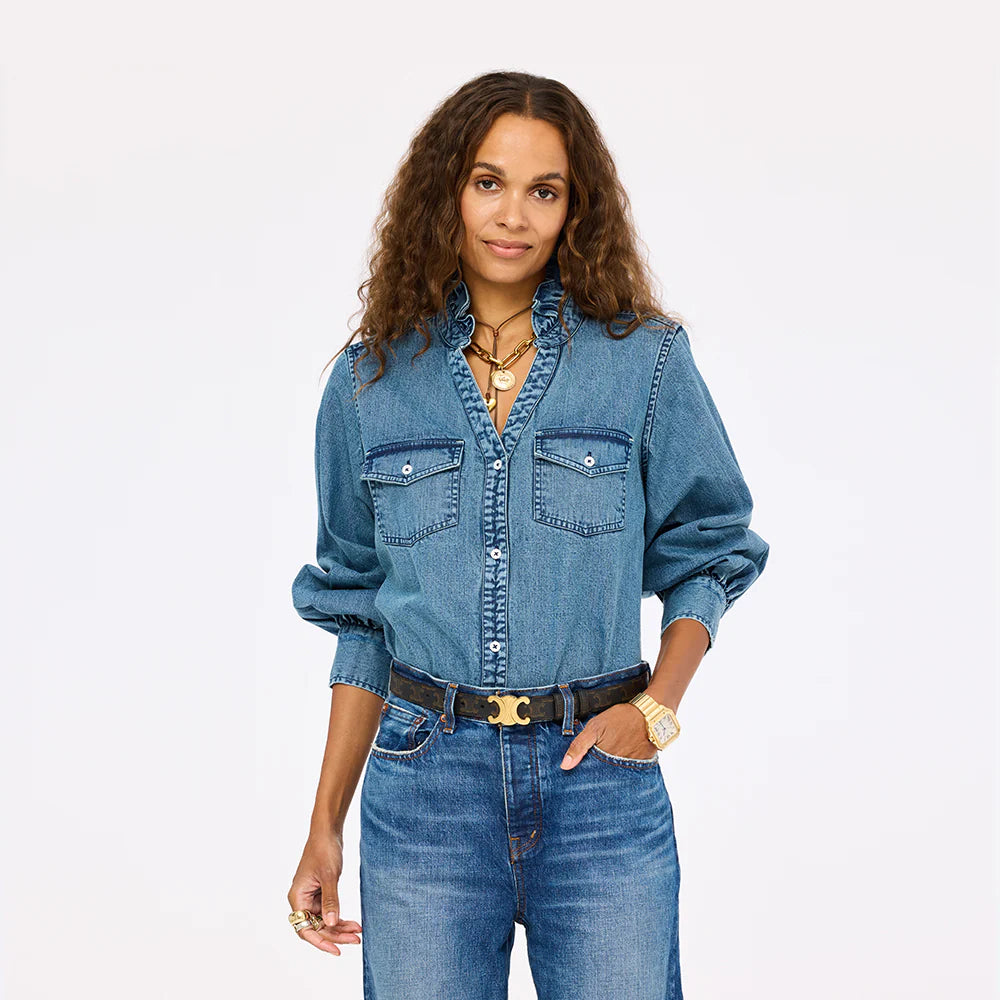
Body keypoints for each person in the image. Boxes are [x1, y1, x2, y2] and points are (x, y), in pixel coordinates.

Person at [286, 71, 769, 1000]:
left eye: (544, 190)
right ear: (447, 195)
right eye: (487, 182)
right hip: (424, 785)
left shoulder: (643, 361)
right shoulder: (368, 382)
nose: (514, 215)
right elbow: (359, 616)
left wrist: (656, 709)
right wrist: (324, 825)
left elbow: (710, 549)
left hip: (599, 781)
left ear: (573, 209)